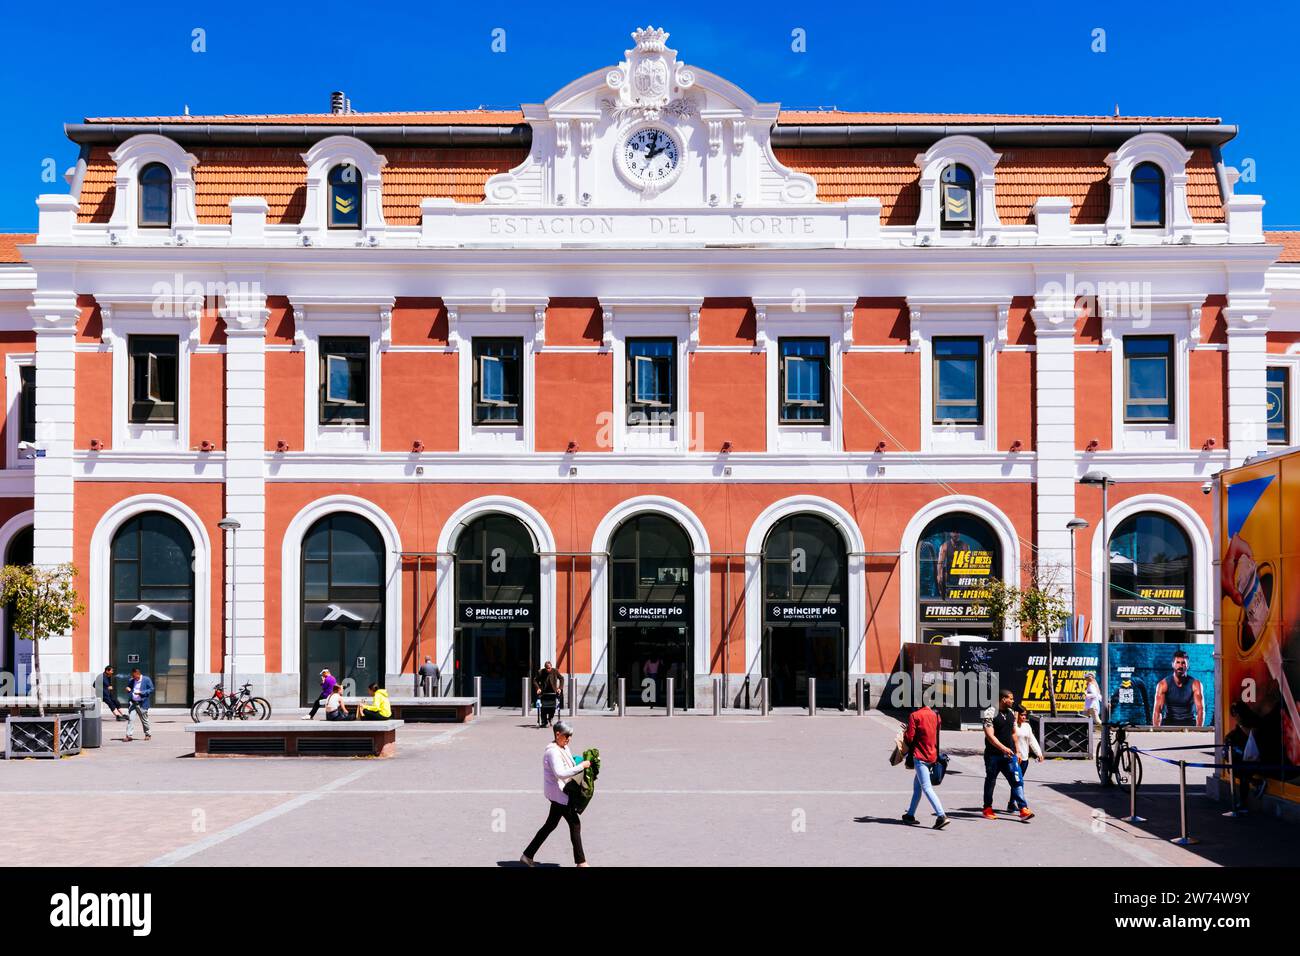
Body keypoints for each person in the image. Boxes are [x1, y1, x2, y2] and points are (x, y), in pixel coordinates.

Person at [521, 720, 590, 867]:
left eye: (570, 736)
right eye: (566, 736)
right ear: (557, 734)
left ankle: (527, 855)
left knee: (550, 825)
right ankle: (581, 862)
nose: (569, 739)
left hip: (559, 795)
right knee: (575, 824)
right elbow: (560, 773)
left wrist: (579, 763)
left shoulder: (564, 747)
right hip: (560, 795)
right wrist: (581, 767)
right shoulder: (553, 752)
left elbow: (569, 764)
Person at [982, 688, 1032, 821]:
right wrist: (1003, 748)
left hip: (1009, 756)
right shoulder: (989, 712)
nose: (1013, 700)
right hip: (993, 755)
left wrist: (1018, 751)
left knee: (1016, 780)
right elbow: (990, 736)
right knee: (991, 781)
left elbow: (1014, 733)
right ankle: (987, 808)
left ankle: (1023, 809)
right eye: (1010, 698)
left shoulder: (1011, 713)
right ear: (1003, 699)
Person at [901, 704, 950, 829]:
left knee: (927, 788)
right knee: (917, 787)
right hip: (932, 755)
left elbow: (910, 738)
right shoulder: (936, 715)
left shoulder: (915, 715)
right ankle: (910, 815)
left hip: (920, 756)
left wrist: (906, 730)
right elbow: (931, 732)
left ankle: (941, 815)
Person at [1153, 649, 1205, 727]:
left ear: (1188, 665)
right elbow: (1157, 711)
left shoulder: (1196, 684)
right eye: (1177, 662)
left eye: (1183, 663)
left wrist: (1199, 731)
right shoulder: (1163, 685)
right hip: (1169, 723)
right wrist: (1156, 732)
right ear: (1172, 664)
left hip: (1189, 723)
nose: (1180, 666)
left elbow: (1200, 710)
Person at [1008, 706, 1044, 812]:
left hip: (1024, 759)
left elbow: (1032, 740)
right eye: (1022, 714)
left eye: (1025, 715)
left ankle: (1011, 803)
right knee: (1018, 782)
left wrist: (1039, 753)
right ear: (1017, 714)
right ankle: (1022, 806)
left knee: (1017, 782)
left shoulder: (1027, 726)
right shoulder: (1012, 726)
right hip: (1014, 758)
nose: (1024, 717)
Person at [124, 667, 154, 741]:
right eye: (132, 676)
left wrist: (141, 692)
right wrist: (127, 689)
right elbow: (129, 688)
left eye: (134, 676)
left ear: (138, 674)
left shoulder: (146, 679)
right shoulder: (132, 680)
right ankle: (129, 736)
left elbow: (151, 689)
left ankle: (148, 734)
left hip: (142, 703)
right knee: (131, 719)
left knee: (144, 719)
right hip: (133, 703)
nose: (133, 678)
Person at [534, 661, 562, 726]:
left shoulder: (555, 671)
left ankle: (550, 718)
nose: (548, 669)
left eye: (549, 668)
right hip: (544, 692)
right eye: (547, 668)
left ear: (551, 667)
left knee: (552, 707)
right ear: (545, 667)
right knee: (543, 707)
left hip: (553, 692)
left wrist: (559, 688)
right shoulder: (540, 672)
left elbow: (561, 678)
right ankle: (544, 721)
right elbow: (535, 680)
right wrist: (538, 688)